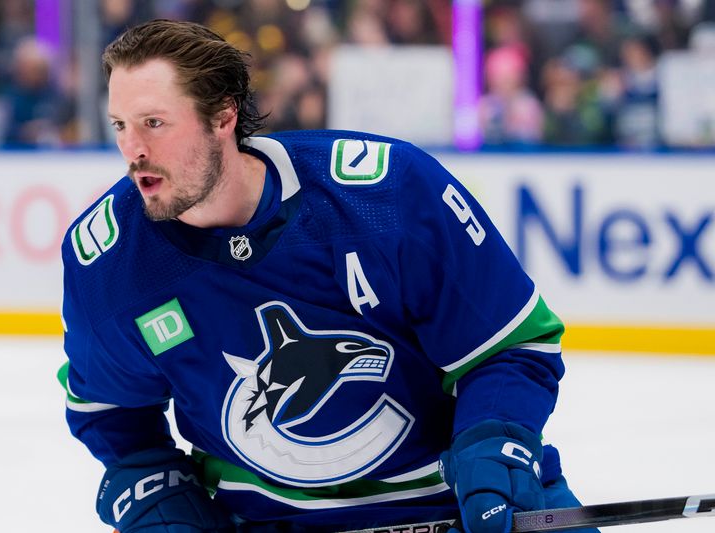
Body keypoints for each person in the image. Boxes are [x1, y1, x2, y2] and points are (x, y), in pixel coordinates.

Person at [58, 19, 598, 533]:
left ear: (223, 117)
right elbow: (112, 412)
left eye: (154, 123)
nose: (134, 151)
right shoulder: (108, 262)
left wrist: (493, 441)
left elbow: (509, 348)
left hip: (452, 499)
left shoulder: (388, 196)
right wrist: (154, 488)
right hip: (265, 518)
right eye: (121, 126)